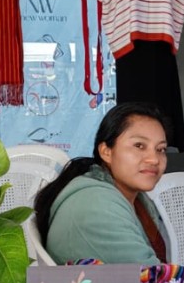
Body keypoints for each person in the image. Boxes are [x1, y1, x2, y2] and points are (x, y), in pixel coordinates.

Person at [34, 102, 169, 265]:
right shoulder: (96, 204)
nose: (154, 159)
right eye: (139, 145)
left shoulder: (132, 198)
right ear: (106, 152)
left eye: (160, 149)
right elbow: (151, 275)